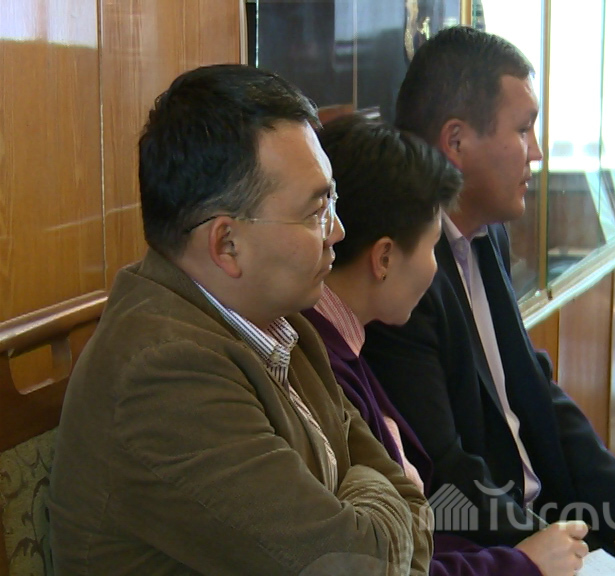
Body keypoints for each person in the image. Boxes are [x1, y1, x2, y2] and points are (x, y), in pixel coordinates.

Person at [48, 64, 432, 576]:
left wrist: (367, 502)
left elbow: (412, 504)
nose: (337, 230)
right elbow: (362, 564)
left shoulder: (283, 323)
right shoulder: (164, 376)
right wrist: (368, 496)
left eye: (333, 201)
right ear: (227, 244)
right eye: (316, 211)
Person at [360, 26, 615, 574]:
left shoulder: (487, 233)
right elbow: (443, 472)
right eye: (523, 129)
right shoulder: (400, 274)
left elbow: (533, 389)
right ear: (456, 143)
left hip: (550, 526)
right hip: (491, 549)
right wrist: (552, 551)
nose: (537, 152)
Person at [303, 113, 591, 576]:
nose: (436, 269)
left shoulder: (345, 346)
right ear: (384, 257)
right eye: (432, 246)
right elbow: (390, 559)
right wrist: (520, 563)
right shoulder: (320, 364)